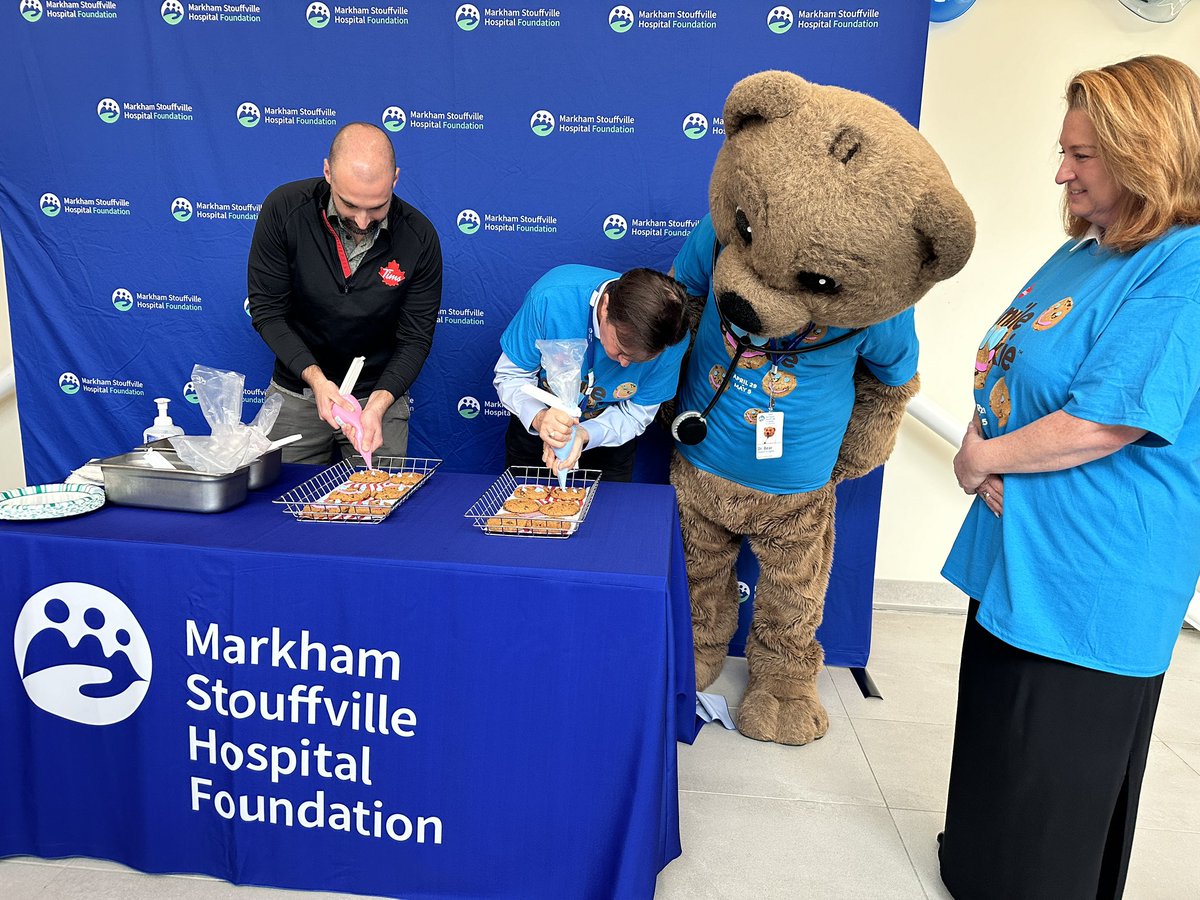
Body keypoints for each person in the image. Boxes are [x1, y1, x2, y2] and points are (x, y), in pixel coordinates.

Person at [939, 55, 1200, 899]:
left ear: (1146, 151)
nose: (1063, 170)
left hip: (1097, 566)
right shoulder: (1090, 252)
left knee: (1054, 780)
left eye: (1082, 155)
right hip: (1024, 541)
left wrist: (983, 456)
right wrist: (989, 426)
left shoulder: (1186, 264)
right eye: (1066, 150)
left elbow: (1108, 416)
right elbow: (1020, 360)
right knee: (1000, 751)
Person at [248, 122, 442, 464]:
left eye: (378, 207)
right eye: (351, 205)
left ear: (395, 178)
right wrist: (317, 380)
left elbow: (415, 340)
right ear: (327, 172)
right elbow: (267, 311)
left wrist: (380, 404)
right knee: (278, 506)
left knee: (378, 503)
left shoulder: (419, 237)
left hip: (377, 397)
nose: (364, 221)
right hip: (299, 392)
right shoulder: (284, 210)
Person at [493, 265, 690, 482]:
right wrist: (539, 418)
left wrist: (585, 435)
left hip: (609, 443)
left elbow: (636, 414)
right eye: (621, 350)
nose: (625, 364)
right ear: (605, 306)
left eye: (638, 360)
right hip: (536, 433)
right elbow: (510, 377)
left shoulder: (672, 339)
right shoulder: (551, 298)